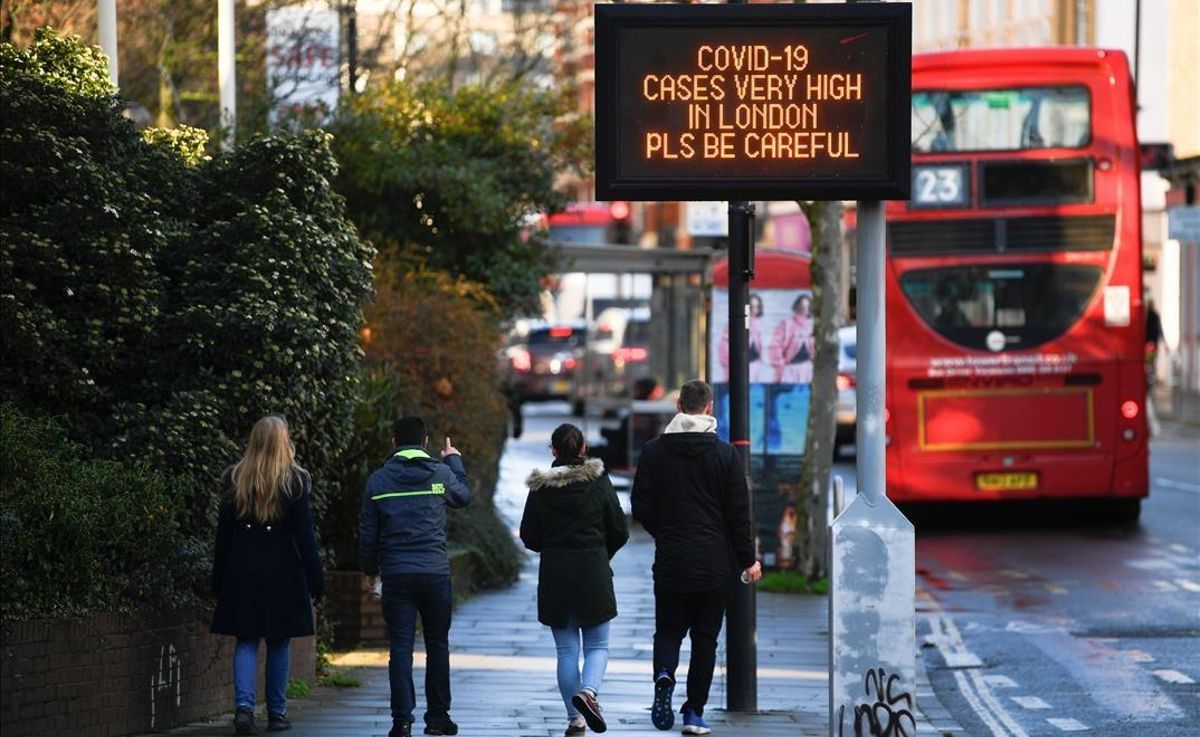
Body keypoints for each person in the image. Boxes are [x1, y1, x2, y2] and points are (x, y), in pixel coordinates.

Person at [631, 380, 761, 735]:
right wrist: (748, 558)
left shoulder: (654, 451)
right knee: (705, 639)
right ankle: (693, 713)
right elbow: (738, 514)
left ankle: (663, 674)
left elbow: (640, 505)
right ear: (709, 408)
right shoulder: (725, 455)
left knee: (669, 630)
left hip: (671, 558)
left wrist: (666, 532)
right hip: (713, 563)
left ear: (677, 405)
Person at [211, 416, 324, 735]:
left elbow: (223, 536)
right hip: (283, 571)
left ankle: (244, 710)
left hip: (242, 569)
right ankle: (277, 712)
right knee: (279, 641)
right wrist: (316, 579)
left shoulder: (236, 478)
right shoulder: (295, 480)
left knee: (245, 639)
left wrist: (218, 579)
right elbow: (305, 537)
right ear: (283, 441)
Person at [360, 417, 471, 737]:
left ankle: (402, 721)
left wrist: (369, 572)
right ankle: (437, 717)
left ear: (394, 441)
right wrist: (454, 459)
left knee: (401, 647)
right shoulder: (440, 474)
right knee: (437, 645)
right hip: (435, 575)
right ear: (425, 443)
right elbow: (463, 496)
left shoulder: (378, 482)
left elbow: (368, 534)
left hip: (396, 576)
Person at [520, 424, 629, 736]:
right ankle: (589, 692)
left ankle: (575, 718)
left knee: (566, 652)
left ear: (553, 451)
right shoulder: (598, 480)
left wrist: (553, 548)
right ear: (584, 449)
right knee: (598, 645)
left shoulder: (541, 487)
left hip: (556, 573)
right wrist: (599, 553)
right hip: (592, 569)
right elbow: (619, 529)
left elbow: (529, 535)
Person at [719, 293, 770, 383]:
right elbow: (724, 345)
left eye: (757, 307)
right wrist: (729, 363)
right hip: (738, 365)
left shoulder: (757, 324)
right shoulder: (735, 323)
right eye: (752, 307)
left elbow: (760, 344)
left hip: (755, 364)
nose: (754, 310)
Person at [768, 294, 815, 384]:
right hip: (789, 369)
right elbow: (775, 346)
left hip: (808, 368)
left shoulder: (812, 325)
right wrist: (780, 365)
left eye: (807, 307)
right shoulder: (786, 324)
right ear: (796, 307)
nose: (804, 310)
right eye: (802, 307)